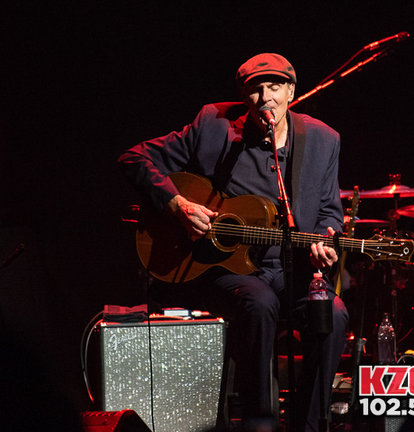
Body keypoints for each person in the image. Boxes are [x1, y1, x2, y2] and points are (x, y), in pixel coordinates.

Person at [118, 53, 349, 432]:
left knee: (334, 313)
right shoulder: (213, 125)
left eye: (274, 87)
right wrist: (177, 205)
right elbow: (134, 157)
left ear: (291, 91)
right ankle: (261, 423)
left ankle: (309, 425)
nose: (265, 98)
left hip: (291, 268)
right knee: (258, 303)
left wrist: (325, 239)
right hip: (225, 268)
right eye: (255, 90)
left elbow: (329, 211)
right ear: (244, 96)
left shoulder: (324, 140)